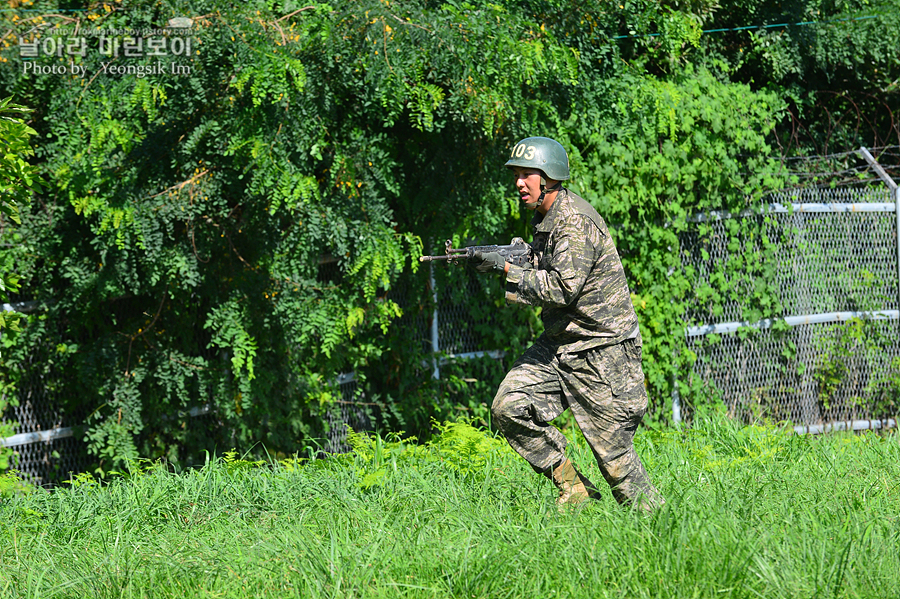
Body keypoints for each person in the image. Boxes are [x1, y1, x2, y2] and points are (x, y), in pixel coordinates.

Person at [472, 136, 664, 511]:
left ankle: (659, 528)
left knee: (615, 461)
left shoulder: (573, 221)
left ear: (549, 178)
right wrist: (512, 259)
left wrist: (510, 271)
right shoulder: (545, 217)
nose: (519, 183)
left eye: (527, 174)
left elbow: (562, 288)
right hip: (561, 343)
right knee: (508, 406)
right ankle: (573, 486)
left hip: (601, 349)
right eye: (517, 175)